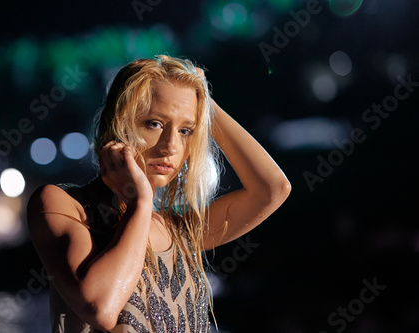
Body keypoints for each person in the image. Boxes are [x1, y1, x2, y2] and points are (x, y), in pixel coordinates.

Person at [27, 55, 291, 332]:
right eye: (154, 123)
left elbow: (273, 189)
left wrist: (206, 104)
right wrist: (140, 202)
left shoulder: (180, 231)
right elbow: (100, 308)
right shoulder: (64, 204)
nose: (171, 146)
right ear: (119, 123)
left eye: (186, 130)